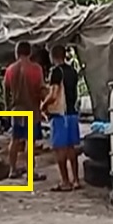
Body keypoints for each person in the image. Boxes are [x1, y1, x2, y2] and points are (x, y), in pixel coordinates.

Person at [3, 41, 47, 182]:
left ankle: (12, 169)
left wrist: (7, 106)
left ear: (17, 53)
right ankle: (30, 173)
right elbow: (41, 90)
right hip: (32, 110)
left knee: (14, 140)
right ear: (30, 53)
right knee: (30, 142)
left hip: (16, 110)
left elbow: (6, 90)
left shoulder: (10, 70)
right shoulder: (36, 69)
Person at [41, 44, 81, 191]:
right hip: (72, 113)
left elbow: (53, 94)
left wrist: (43, 106)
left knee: (59, 149)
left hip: (60, 115)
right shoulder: (73, 71)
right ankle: (76, 179)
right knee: (71, 148)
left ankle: (65, 181)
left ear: (53, 57)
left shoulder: (56, 72)